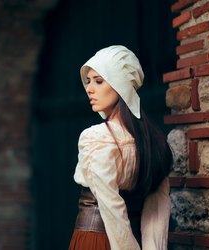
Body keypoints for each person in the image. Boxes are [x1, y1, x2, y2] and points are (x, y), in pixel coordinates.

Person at [68, 45, 172, 250]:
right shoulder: (155, 141)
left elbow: (111, 206)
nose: (89, 89)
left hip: (97, 240)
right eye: (88, 81)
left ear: (120, 85)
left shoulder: (96, 137)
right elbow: (157, 211)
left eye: (99, 81)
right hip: (131, 238)